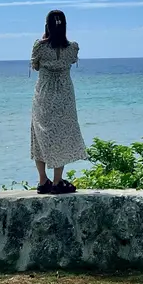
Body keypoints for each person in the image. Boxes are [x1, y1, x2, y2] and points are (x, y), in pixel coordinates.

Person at [30, 10, 87, 194]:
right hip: (64, 96)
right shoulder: (72, 47)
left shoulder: (39, 46)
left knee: (40, 136)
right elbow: (72, 60)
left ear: (47, 25)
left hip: (44, 95)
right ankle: (57, 182)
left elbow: (35, 65)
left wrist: (44, 39)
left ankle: (42, 181)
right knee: (61, 135)